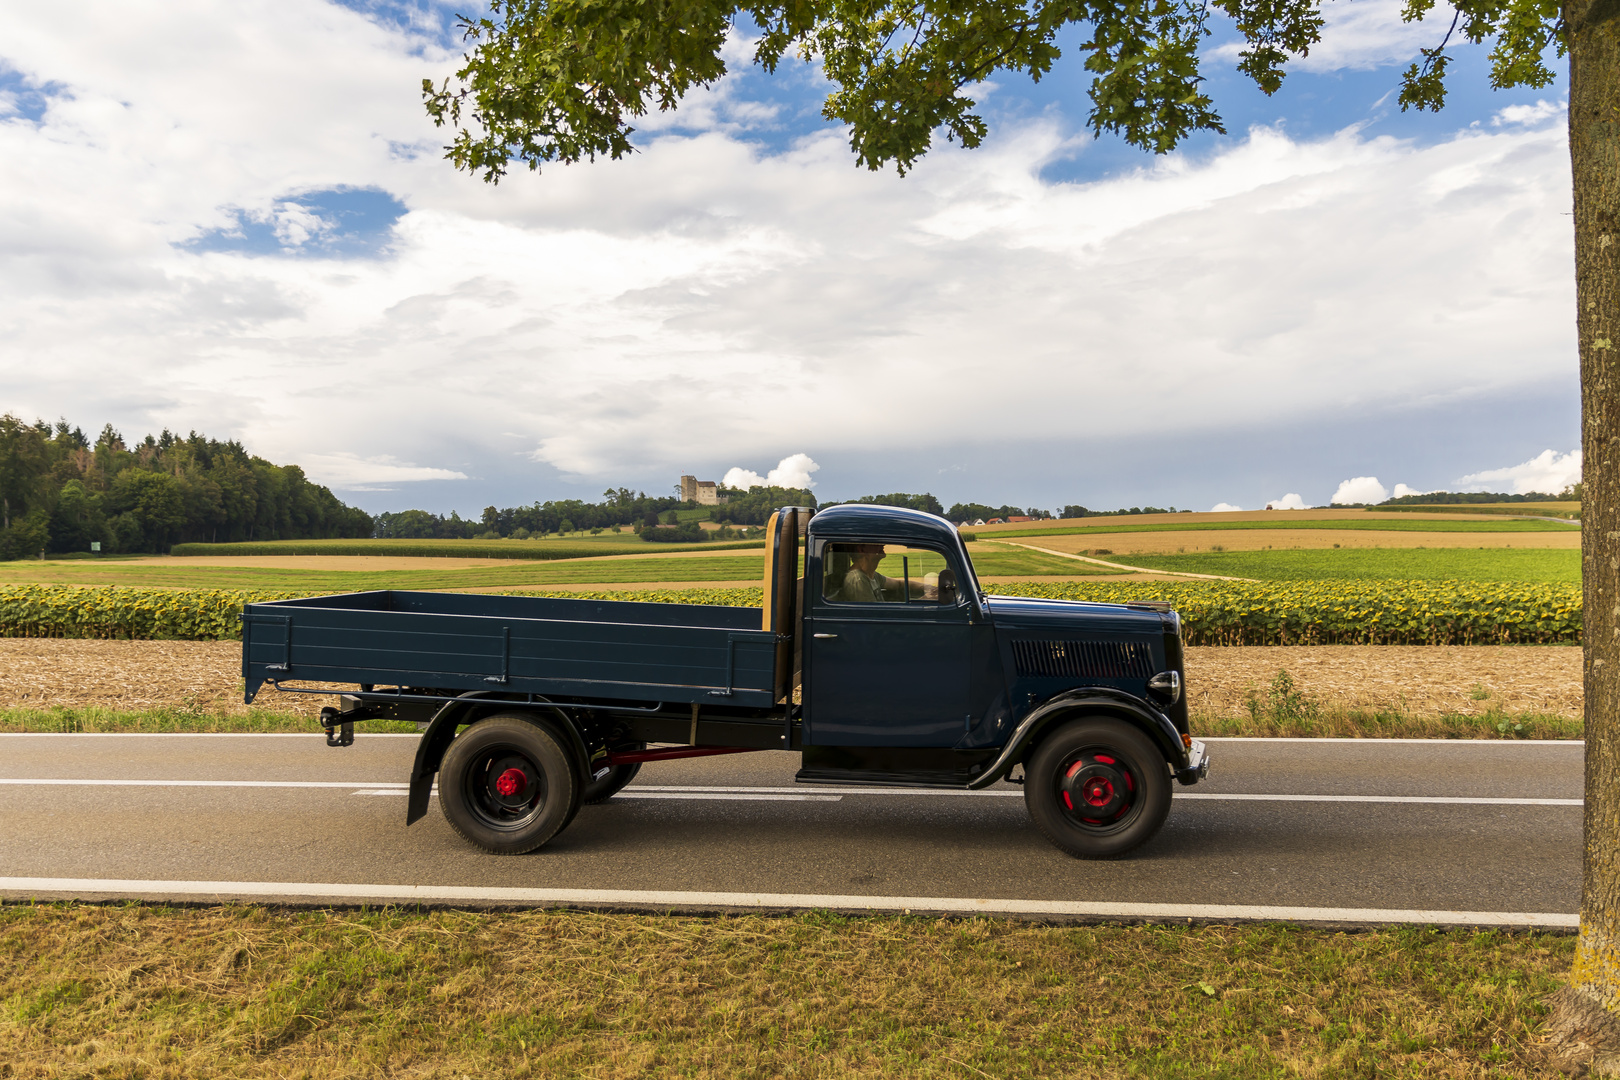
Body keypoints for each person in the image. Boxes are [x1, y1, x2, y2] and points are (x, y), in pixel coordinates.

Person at [837, 544, 937, 602]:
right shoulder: (857, 579)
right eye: (875, 543)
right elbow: (875, 616)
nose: (882, 544)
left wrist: (929, 588)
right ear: (862, 550)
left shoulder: (871, 575)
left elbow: (899, 583)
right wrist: (924, 599)